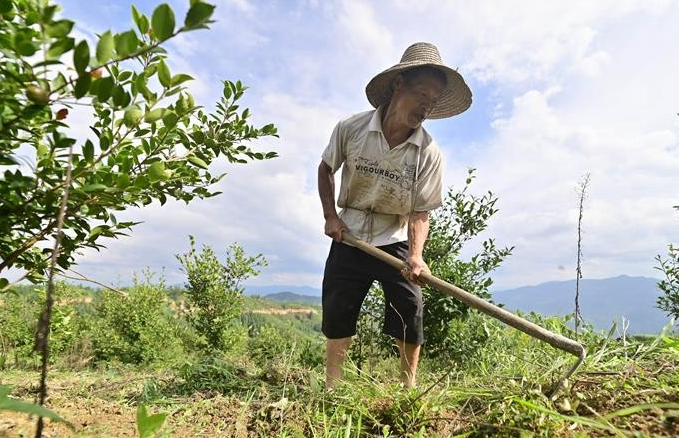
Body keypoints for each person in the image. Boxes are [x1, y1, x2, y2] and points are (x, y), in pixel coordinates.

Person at [317, 42, 472, 389]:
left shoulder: (428, 152)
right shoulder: (351, 129)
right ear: (398, 85)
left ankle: (408, 388)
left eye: (432, 102)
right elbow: (325, 169)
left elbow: (420, 211)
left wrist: (416, 256)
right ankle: (332, 387)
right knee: (339, 307)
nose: (425, 107)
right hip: (351, 233)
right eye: (421, 94)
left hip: (395, 239)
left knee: (410, 307)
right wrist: (331, 216)